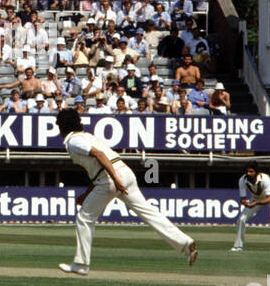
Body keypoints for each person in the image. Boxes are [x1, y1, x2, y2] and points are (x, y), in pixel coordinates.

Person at [54, 107, 196, 275]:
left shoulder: (74, 141)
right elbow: (100, 165)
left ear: (62, 127)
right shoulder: (87, 136)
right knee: (149, 212)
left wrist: (115, 180)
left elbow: (99, 155)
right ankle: (185, 243)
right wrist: (87, 194)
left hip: (111, 178)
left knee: (84, 218)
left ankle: (81, 264)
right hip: (124, 172)